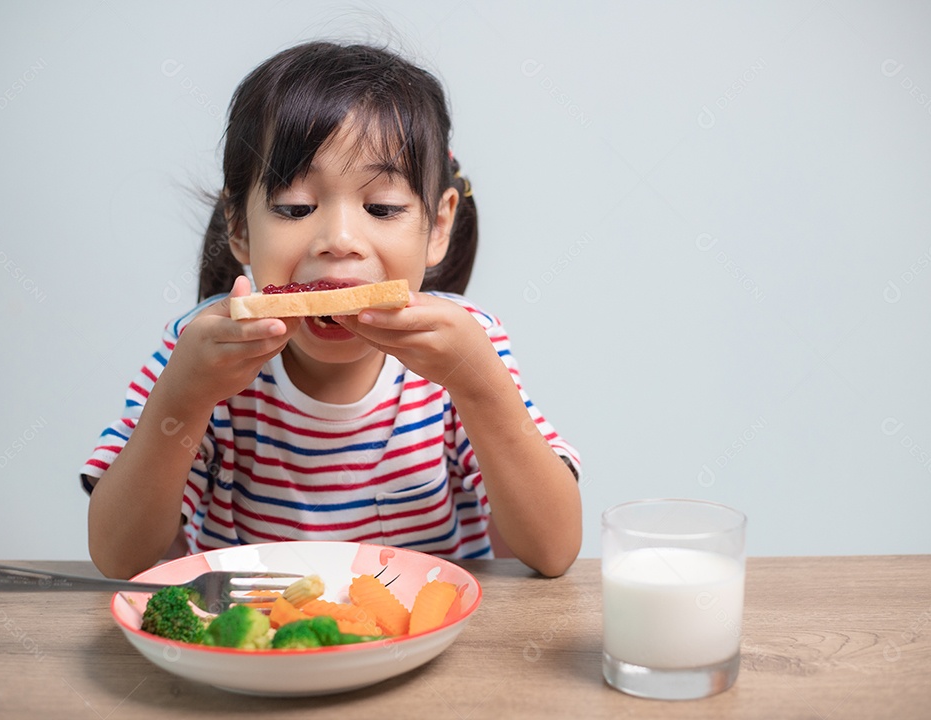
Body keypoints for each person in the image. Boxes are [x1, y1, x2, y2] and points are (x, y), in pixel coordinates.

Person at [81, 41, 581, 580]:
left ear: (437, 227)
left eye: (382, 208)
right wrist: (185, 394)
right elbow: (118, 557)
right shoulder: (199, 347)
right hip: (257, 652)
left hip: (420, 642)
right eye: (296, 208)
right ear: (241, 228)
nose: (339, 241)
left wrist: (479, 384)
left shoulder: (470, 343)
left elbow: (552, 551)